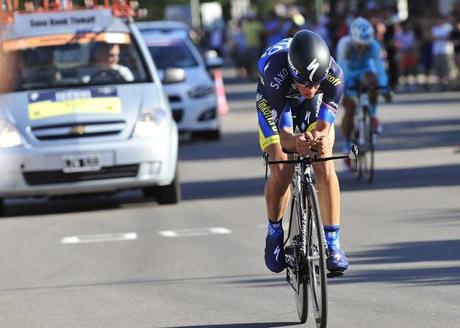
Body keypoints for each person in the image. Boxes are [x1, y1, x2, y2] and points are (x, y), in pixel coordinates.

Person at [257, 30, 348, 274]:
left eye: (317, 83)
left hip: (309, 107)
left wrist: (318, 138)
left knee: (324, 159)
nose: (310, 88)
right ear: (294, 74)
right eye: (305, 83)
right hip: (275, 99)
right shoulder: (276, 71)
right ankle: (274, 231)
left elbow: (324, 125)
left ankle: (333, 243)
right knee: (282, 162)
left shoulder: (334, 76)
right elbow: (286, 135)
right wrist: (296, 142)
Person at [336, 17, 390, 168]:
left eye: (365, 46)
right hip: (348, 73)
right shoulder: (344, 44)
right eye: (359, 45)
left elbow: (379, 68)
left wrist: (384, 87)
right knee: (349, 108)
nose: (362, 49)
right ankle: (347, 145)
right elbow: (342, 69)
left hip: (365, 71)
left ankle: (372, 115)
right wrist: (346, 90)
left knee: (373, 81)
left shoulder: (374, 45)